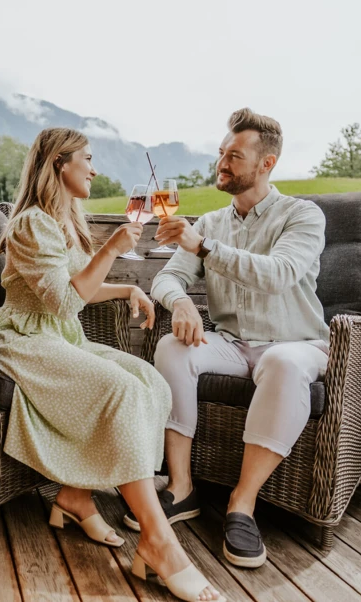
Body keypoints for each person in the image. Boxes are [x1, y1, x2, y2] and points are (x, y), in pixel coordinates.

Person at [0, 127, 225, 602]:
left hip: (61, 335)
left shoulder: (62, 220)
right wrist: (112, 248)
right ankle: (159, 543)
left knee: (151, 382)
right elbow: (61, 301)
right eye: (88, 159)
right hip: (24, 338)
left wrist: (128, 288)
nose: (95, 169)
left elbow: (83, 289)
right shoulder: (32, 223)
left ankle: (74, 497)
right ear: (60, 163)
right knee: (118, 389)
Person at [124, 108, 329, 569]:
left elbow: (279, 275)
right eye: (221, 153)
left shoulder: (302, 215)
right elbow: (168, 277)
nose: (222, 163)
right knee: (172, 347)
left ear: (267, 163)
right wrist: (179, 303)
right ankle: (181, 486)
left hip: (297, 344)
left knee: (283, 364)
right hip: (233, 343)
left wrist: (203, 247)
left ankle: (242, 502)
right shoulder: (212, 222)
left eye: (234, 156)